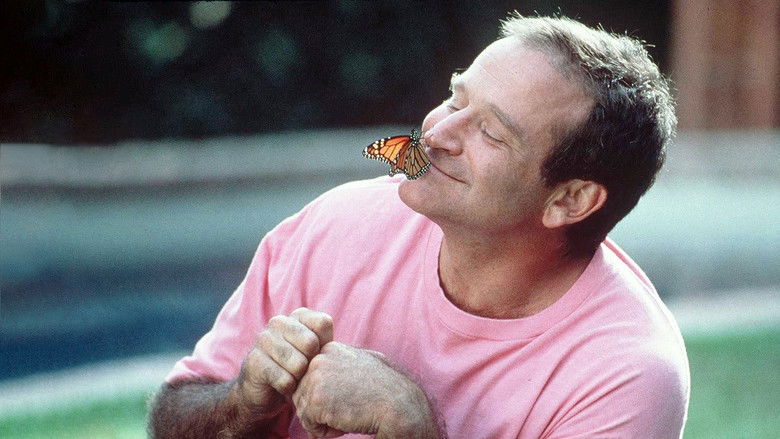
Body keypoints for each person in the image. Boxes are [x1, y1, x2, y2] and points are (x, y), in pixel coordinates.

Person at [149, 13, 689, 439]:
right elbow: (170, 420)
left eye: (491, 133)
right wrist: (244, 400)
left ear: (569, 200)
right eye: (456, 98)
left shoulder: (625, 374)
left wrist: (411, 426)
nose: (436, 134)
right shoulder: (340, 225)